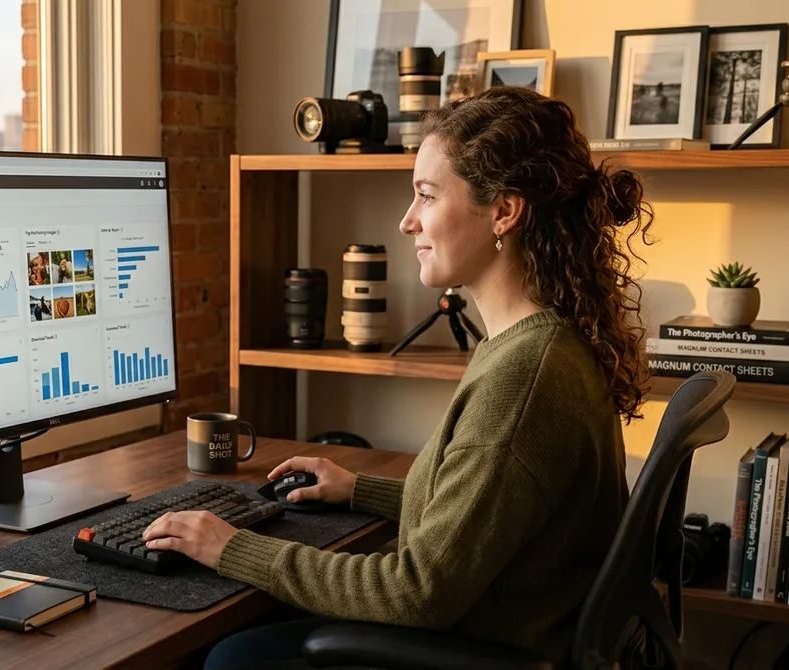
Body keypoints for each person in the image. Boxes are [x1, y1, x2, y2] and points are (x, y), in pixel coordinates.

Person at [141, 86, 655, 668]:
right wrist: (360, 488)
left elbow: (416, 592)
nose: (407, 222)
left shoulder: (524, 378)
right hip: (497, 626)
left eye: (426, 196)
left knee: (227, 655)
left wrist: (231, 546)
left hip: (474, 645)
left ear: (504, 212)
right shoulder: (540, 341)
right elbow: (484, 508)